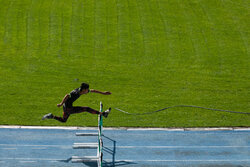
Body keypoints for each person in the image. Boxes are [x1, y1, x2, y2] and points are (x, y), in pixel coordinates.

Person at [42, 83, 111, 123]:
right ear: (83, 89)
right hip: (68, 108)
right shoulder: (75, 93)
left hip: (66, 107)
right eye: (87, 89)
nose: (87, 91)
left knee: (64, 120)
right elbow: (67, 95)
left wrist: (103, 93)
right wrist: (61, 103)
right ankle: (103, 114)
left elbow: (93, 90)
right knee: (86, 108)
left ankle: (51, 116)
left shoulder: (82, 90)